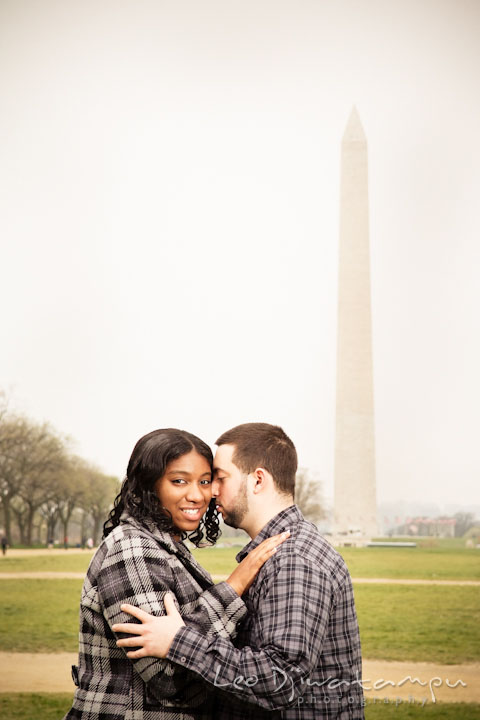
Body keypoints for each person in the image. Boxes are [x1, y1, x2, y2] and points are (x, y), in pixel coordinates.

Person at [114, 423, 365, 719]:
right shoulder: (276, 552)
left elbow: (278, 680)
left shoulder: (294, 559)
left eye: (218, 478)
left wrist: (178, 640)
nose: (211, 492)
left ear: (257, 481)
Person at [64, 428, 289, 720]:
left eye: (205, 481)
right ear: (149, 484)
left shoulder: (166, 546)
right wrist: (233, 587)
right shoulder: (132, 548)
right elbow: (166, 676)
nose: (197, 495)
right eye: (179, 481)